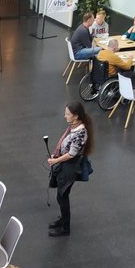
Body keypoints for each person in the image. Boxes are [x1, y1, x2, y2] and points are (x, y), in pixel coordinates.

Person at [47, 101, 94, 238]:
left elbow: (72, 154)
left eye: (68, 114)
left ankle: (65, 228)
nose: (65, 116)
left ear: (76, 116)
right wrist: (57, 155)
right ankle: (63, 220)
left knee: (63, 196)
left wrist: (56, 160)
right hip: (65, 166)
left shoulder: (80, 132)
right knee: (61, 196)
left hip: (70, 168)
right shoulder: (73, 127)